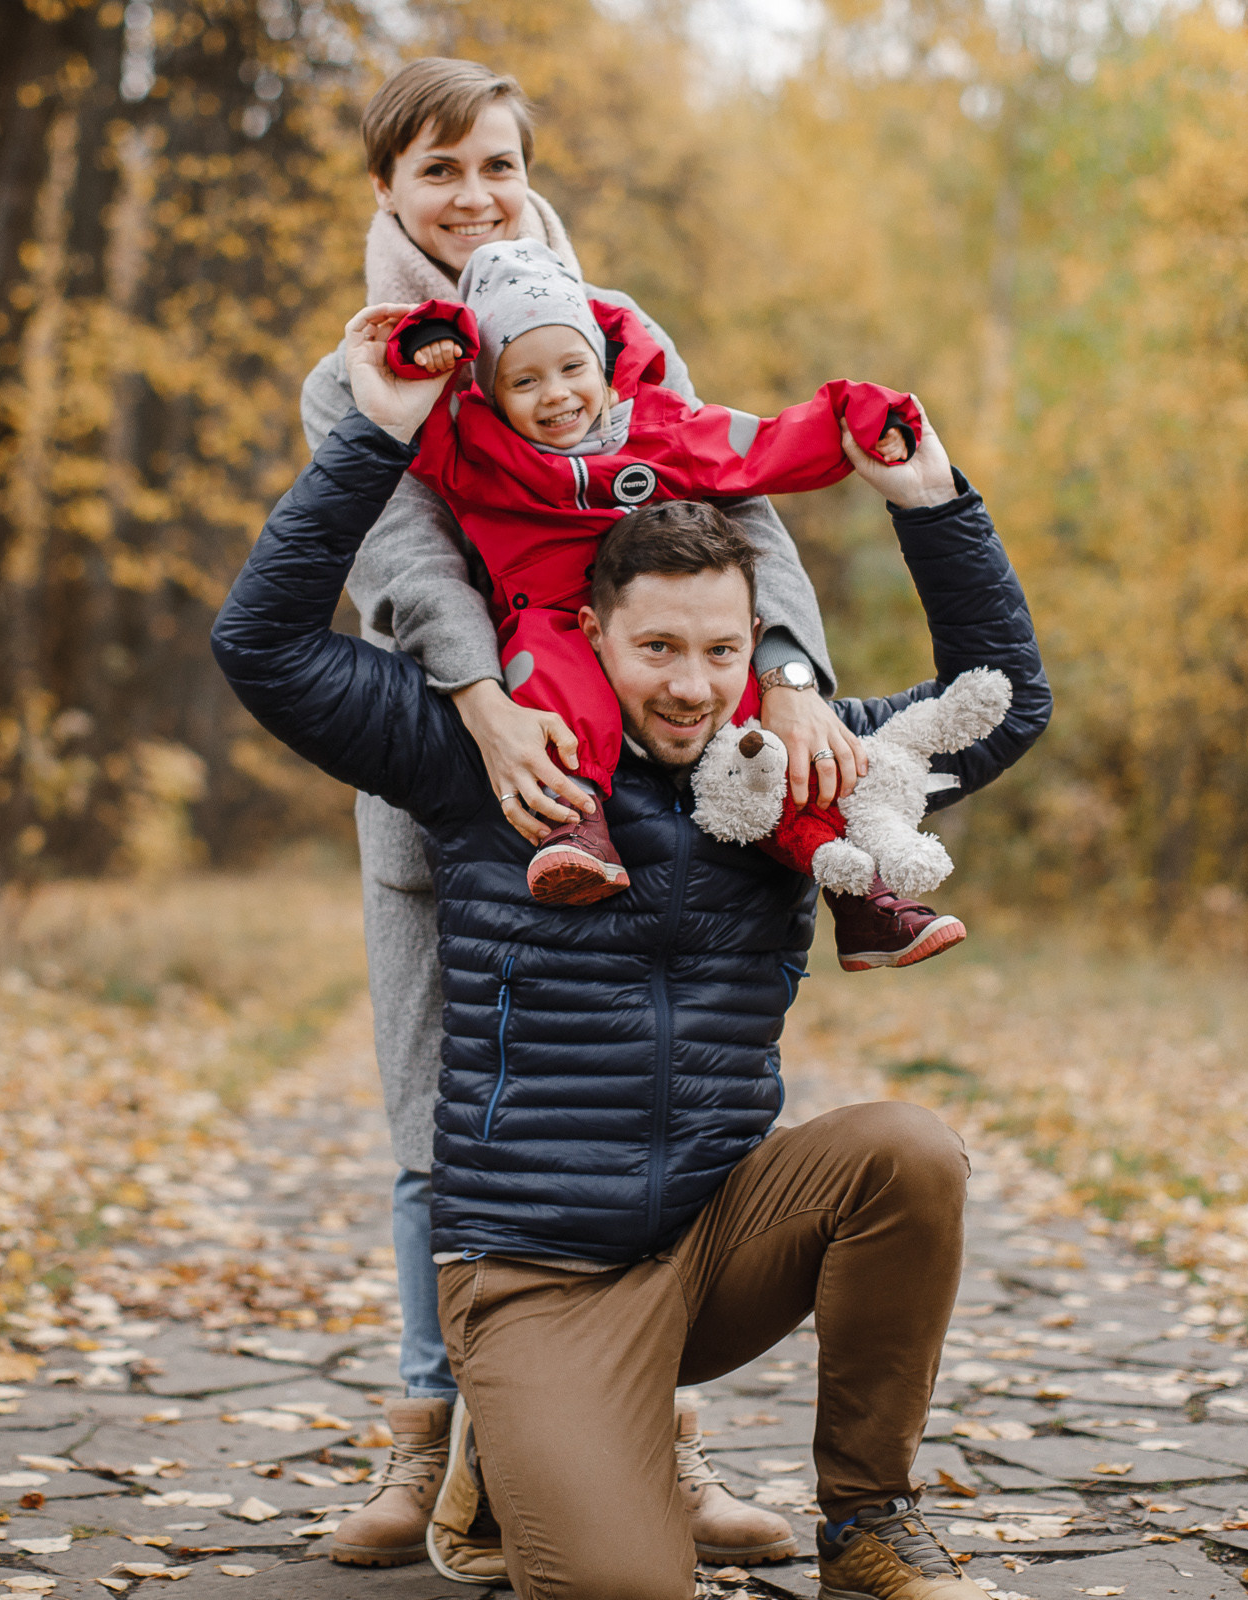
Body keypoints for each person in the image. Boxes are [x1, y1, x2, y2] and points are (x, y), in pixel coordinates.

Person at [213, 302, 1051, 1599]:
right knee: (620, 1588)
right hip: (534, 1277)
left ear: (759, 656)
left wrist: (930, 495)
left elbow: (1003, 694)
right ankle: (532, 1450)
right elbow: (258, 646)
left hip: (714, 1246)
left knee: (909, 1156)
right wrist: (375, 432)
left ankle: (867, 1522)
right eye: (657, 647)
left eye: (723, 652)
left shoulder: (792, 771)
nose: (689, 685)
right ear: (592, 634)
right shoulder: (486, 757)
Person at [302, 57, 885, 1571]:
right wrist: (485, 707)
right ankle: (432, 1438)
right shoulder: (358, 366)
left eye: (494, 162)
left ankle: (661, 1447)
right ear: (386, 192)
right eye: (438, 170)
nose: (472, 193)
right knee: (441, 1122)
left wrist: (795, 673)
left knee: (657, 1097)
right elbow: (405, 565)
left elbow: (730, 502)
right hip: (453, 786)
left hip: (651, 802)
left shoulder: (616, 333)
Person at [369, 242, 966, 969]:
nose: (555, 394)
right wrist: (426, 345)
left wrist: (871, 420)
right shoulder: (477, 449)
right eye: (523, 379)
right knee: (543, 667)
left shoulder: (660, 431)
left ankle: (858, 893)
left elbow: (767, 445)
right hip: (555, 621)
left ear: (605, 368)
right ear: (490, 391)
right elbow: (395, 415)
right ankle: (576, 830)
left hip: (665, 632)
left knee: (763, 740)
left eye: (571, 368)